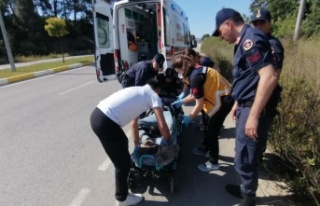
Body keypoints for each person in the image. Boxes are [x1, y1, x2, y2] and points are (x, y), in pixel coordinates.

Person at [212, 8, 279, 206]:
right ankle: (245, 190)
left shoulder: (250, 40)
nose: (221, 37)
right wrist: (238, 103)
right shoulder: (243, 41)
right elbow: (248, 78)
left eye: (221, 32)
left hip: (252, 108)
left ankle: (248, 198)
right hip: (245, 105)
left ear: (229, 24)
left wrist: (253, 115)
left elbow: (269, 76)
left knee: (245, 156)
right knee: (243, 152)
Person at [90, 78, 171, 206]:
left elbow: (134, 123)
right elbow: (161, 123)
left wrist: (137, 145)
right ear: (158, 89)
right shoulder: (154, 95)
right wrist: (168, 141)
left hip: (97, 115)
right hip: (106, 122)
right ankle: (122, 198)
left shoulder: (137, 90)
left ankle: (123, 195)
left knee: (122, 147)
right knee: (122, 164)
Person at [171, 55, 234, 172]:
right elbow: (197, 94)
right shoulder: (196, 70)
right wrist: (182, 101)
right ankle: (205, 148)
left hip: (223, 101)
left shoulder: (195, 77)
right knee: (206, 125)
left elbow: (199, 104)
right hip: (221, 97)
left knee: (212, 132)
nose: (177, 72)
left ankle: (213, 162)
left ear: (182, 68)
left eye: (177, 70)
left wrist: (189, 117)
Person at [251, 8, 285, 162]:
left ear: (269, 24)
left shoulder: (272, 44)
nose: (257, 26)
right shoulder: (256, 43)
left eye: (261, 22)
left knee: (258, 132)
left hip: (265, 98)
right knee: (251, 133)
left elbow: (273, 76)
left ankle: (255, 164)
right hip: (253, 95)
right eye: (255, 23)